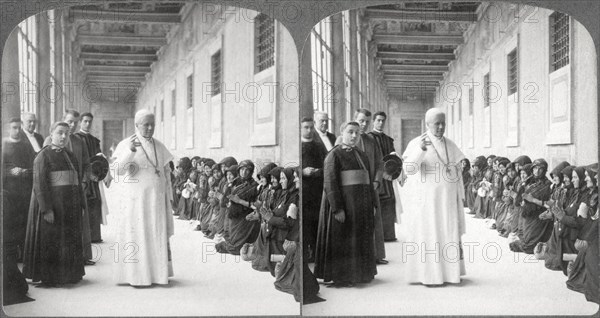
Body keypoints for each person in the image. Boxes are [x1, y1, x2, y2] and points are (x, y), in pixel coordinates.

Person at [400, 108, 466, 285]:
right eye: (437, 123)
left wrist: (462, 165)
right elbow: (409, 169)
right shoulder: (417, 142)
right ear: (428, 124)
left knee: (447, 231)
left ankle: (450, 275)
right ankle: (428, 276)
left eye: (443, 123)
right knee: (430, 234)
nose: (441, 126)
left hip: (447, 199)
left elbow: (458, 163)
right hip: (428, 201)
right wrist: (420, 151)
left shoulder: (449, 143)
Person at [111, 109, 174, 286]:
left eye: (152, 124)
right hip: (135, 200)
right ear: (136, 125)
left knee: (155, 232)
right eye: (145, 124)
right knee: (137, 234)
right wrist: (130, 152)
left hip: (156, 199)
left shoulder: (159, 145)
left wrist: (168, 196)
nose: (149, 127)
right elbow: (116, 171)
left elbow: (166, 172)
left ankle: (156, 275)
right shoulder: (126, 144)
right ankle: (136, 276)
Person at [22, 122, 86, 286]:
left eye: (67, 133)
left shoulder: (70, 155)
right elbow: (39, 185)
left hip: (69, 207)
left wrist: (80, 205)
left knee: (68, 240)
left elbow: (76, 181)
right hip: (53, 207)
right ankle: (52, 277)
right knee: (52, 241)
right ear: (51, 134)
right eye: (60, 133)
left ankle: (69, 274)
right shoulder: (43, 156)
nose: (64, 137)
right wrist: (46, 209)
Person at [315, 121, 377, 287]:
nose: (354, 136)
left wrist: (372, 204)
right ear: (342, 133)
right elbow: (330, 183)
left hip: (361, 207)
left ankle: (361, 274)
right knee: (344, 240)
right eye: (350, 132)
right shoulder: (333, 155)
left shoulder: (362, 155)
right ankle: (343, 277)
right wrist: (337, 209)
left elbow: (368, 181)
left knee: (359, 239)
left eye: (357, 133)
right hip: (345, 207)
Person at [44, 110, 94, 265]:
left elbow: (87, 164)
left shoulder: (80, 141)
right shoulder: (50, 140)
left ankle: (82, 256)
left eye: (75, 122)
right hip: (59, 191)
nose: (72, 125)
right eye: (70, 121)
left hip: (78, 187)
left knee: (80, 221)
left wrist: (85, 182)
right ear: (63, 120)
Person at [345, 108, 386, 264]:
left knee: (374, 219)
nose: (363, 124)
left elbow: (380, 163)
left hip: (370, 186)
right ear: (355, 118)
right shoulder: (345, 138)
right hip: (352, 189)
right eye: (361, 120)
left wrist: (377, 180)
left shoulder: (371, 141)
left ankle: (376, 255)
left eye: (367, 122)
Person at [2, 118, 36, 260]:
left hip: (25, 190)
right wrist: (9, 172)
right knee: (11, 221)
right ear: (8, 128)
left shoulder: (26, 145)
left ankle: (24, 253)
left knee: (24, 221)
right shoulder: (3, 145)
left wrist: (24, 171)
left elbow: (34, 164)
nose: (17, 131)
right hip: (9, 190)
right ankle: (11, 254)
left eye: (19, 128)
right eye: (14, 128)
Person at [216, 160, 261, 255]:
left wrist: (239, 201)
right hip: (232, 216)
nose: (243, 172)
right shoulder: (234, 182)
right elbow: (225, 199)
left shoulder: (254, 186)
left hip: (245, 219)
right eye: (242, 169)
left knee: (235, 248)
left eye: (247, 170)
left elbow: (255, 206)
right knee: (228, 236)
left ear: (251, 172)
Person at [510, 159, 553, 254]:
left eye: (540, 169)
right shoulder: (528, 181)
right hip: (526, 214)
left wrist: (531, 200)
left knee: (528, 247)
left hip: (539, 217)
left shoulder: (547, 185)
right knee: (522, 236)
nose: (537, 171)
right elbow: (519, 197)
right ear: (532, 169)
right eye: (535, 168)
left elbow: (547, 204)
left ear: (545, 170)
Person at [369, 111, 399, 242]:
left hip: (387, 176)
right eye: (378, 120)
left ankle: (389, 235)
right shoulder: (369, 138)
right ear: (374, 121)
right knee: (376, 203)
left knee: (389, 201)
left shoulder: (388, 139)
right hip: (375, 175)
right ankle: (376, 237)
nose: (381, 123)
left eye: (383, 121)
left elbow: (392, 157)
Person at [75, 112, 104, 243]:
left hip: (94, 177)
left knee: (95, 203)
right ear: (80, 122)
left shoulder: (94, 140)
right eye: (85, 121)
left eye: (90, 122)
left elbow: (99, 159)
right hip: (82, 176)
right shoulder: (75, 138)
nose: (87, 124)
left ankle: (95, 235)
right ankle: (83, 236)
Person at [301, 117, 327, 262]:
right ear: (301, 128)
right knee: (305, 224)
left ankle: (317, 255)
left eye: (311, 127)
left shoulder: (319, 146)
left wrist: (318, 172)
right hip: (303, 193)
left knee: (317, 223)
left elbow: (328, 165)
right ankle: (305, 255)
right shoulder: (296, 146)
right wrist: (303, 172)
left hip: (317, 191)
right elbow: (288, 169)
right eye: (306, 127)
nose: (309, 130)